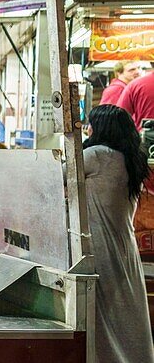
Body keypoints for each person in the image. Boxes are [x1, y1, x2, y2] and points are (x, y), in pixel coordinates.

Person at [82, 104, 154, 363]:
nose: (88, 129)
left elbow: (61, 173)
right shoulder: (131, 159)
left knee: (102, 315)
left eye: (91, 124)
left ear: (101, 128)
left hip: (100, 247)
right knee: (126, 313)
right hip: (125, 246)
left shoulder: (97, 155)